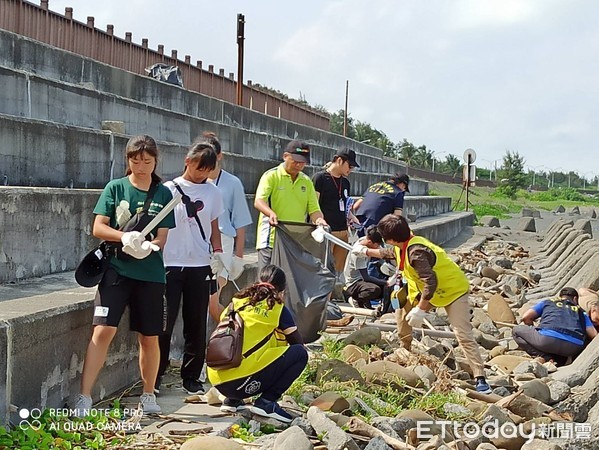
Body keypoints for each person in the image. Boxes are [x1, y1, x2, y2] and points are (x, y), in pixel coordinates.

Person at [74, 135, 175, 416]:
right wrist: (125, 237)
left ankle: (148, 393)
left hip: (151, 273)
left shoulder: (163, 194)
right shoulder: (115, 187)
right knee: (103, 329)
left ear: (155, 161)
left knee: (149, 336)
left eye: (147, 161)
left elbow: (163, 236)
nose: (141, 166)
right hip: (117, 269)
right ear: (127, 160)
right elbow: (98, 227)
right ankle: (84, 396)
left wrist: (149, 246)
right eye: (135, 160)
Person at [363, 214, 493, 394]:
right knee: (401, 314)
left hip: (452, 291)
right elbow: (390, 253)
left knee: (462, 333)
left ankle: (480, 377)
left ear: (391, 239)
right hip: (423, 291)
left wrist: (421, 310)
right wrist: (366, 252)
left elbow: (431, 282)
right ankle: (404, 349)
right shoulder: (404, 243)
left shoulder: (417, 252)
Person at [157, 141, 224, 395]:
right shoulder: (168, 189)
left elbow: (214, 227)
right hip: (170, 263)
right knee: (164, 321)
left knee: (196, 322)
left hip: (199, 263)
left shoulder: (212, 192)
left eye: (207, 170)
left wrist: (218, 254)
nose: (202, 175)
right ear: (187, 161)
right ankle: (158, 372)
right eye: (198, 168)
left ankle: (192, 375)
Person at [207, 265, 308, 423]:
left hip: (217, 380)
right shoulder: (276, 307)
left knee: (251, 342)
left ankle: (232, 400)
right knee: (300, 355)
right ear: (282, 290)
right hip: (241, 382)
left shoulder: (237, 300)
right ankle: (267, 402)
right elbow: (297, 343)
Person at [202, 131, 253, 322]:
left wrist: (238, 258)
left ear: (219, 156)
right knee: (206, 301)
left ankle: (233, 338)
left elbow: (240, 222)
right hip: (198, 244)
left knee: (211, 300)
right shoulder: (195, 181)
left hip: (222, 245)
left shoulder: (232, 183)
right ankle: (232, 337)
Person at [254, 140, 327, 270]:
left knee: (290, 283)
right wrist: (270, 213)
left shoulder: (306, 181)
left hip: (295, 241)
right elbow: (259, 201)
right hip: (270, 240)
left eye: (303, 162)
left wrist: (319, 219)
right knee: (266, 283)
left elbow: (314, 209)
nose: (298, 165)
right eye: (295, 161)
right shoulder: (271, 176)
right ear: (285, 156)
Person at [513, 287, 597, 365]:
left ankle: (546, 357)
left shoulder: (548, 302)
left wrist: (532, 328)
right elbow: (593, 334)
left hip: (546, 340)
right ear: (575, 299)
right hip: (573, 347)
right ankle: (562, 359)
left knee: (516, 331)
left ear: (560, 296)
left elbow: (526, 317)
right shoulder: (581, 311)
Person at [312, 149, 360, 274]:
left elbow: (344, 204)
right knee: (322, 268)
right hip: (327, 231)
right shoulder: (320, 178)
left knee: (338, 270)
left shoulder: (345, 182)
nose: (351, 170)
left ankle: (333, 293)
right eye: (350, 166)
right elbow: (314, 205)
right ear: (339, 160)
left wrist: (350, 216)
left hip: (343, 230)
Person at [343, 225, 389, 310]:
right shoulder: (358, 253)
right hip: (353, 282)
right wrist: (386, 282)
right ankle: (355, 298)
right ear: (370, 242)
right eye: (377, 246)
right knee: (374, 289)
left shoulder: (367, 238)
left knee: (387, 289)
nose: (378, 248)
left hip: (362, 280)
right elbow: (366, 277)